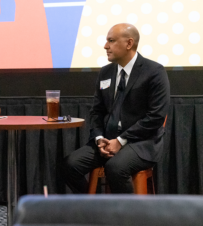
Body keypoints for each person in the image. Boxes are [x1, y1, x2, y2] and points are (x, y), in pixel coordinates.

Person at [63, 23, 170, 193]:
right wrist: (99, 138)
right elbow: (97, 111)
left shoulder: (154, 71)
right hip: (107, 141)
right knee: (70, 164)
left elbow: (156, 117)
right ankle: (97, 211)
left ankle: (127, 218)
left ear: (129, 43)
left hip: (141, 143)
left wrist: (121, 141)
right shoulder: (105, 73)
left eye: (111, 41)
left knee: (115, 168)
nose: (105, 46)